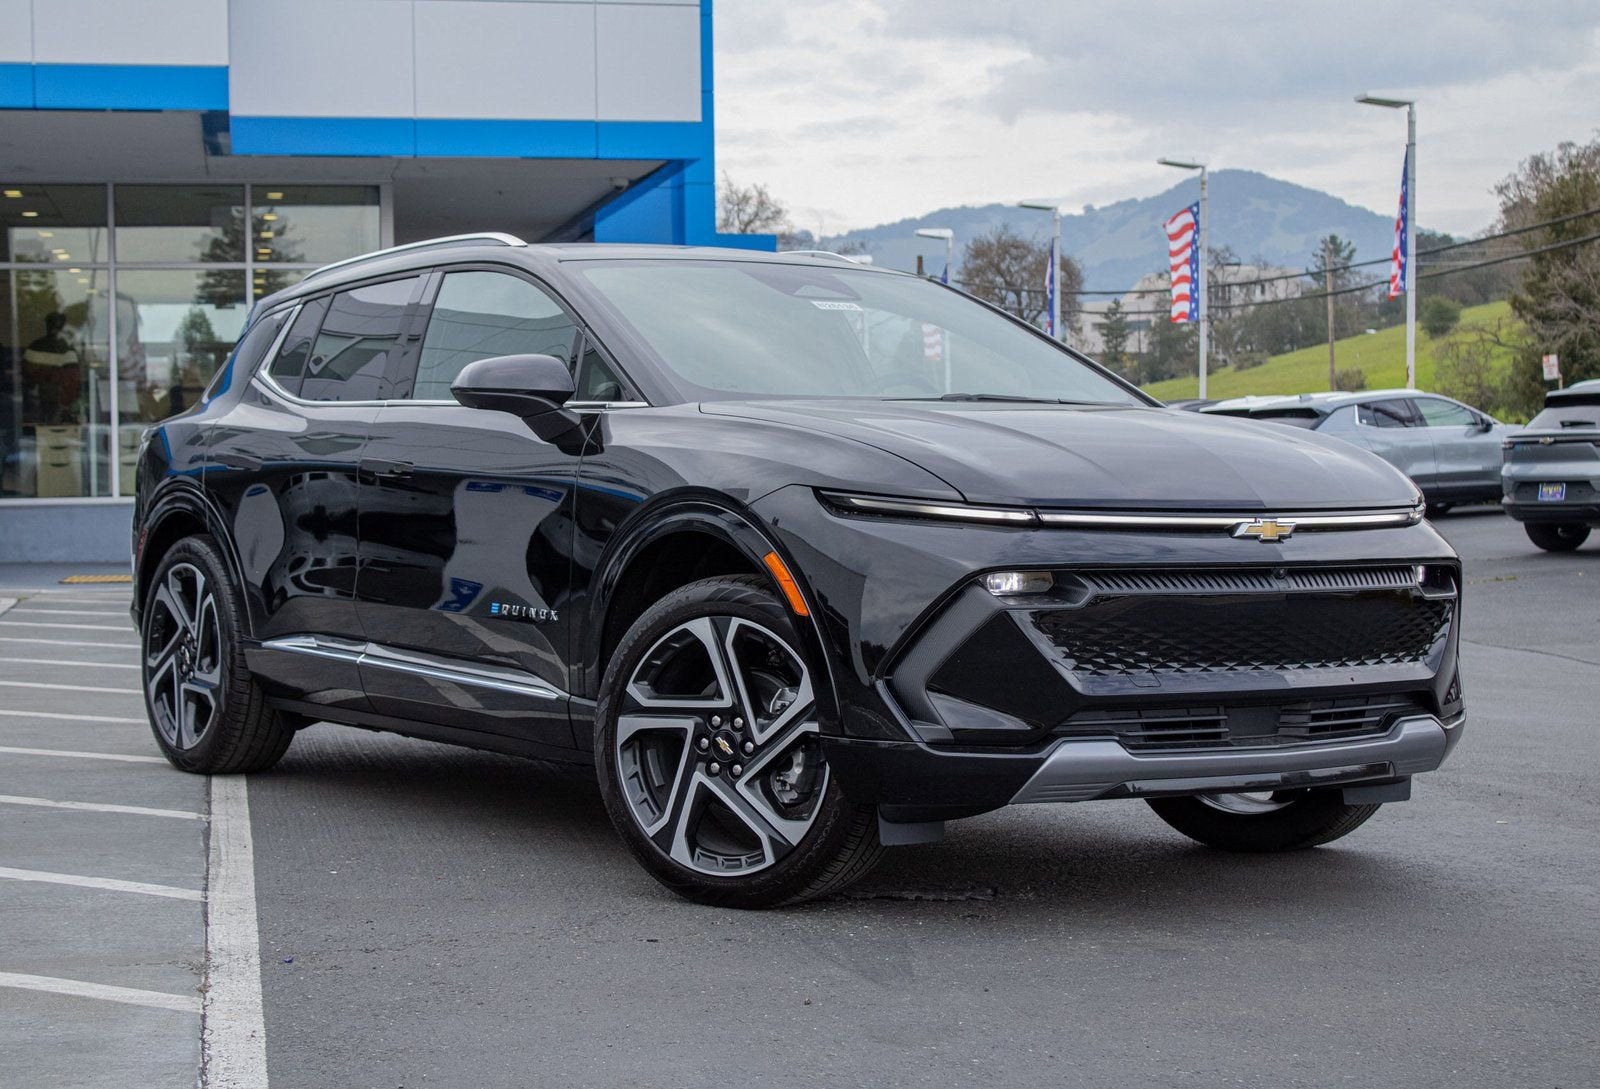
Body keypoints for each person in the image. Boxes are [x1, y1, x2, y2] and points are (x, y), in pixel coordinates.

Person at [23, 312, 81, 423]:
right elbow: (72, 383)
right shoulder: (68, 349)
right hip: (50, 402)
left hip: (38, 401)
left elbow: (27, 379)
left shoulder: (34, 347)